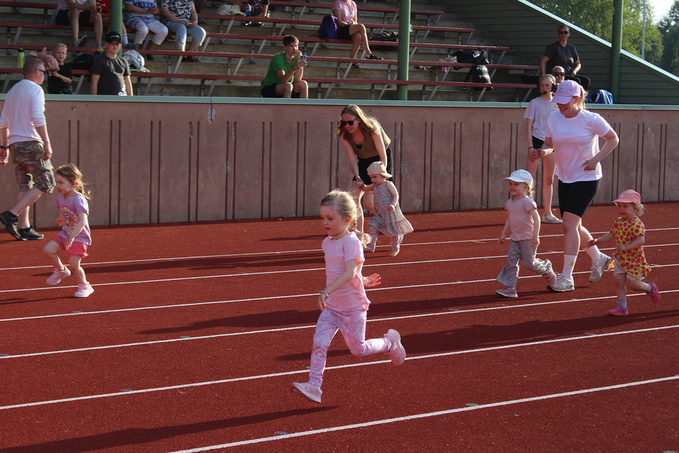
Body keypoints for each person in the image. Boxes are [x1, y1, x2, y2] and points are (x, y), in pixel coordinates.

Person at [291, 190, 405, 404]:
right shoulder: (327, 243)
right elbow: (349, 272)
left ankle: (390, 343)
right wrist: (362, 279)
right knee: (319, 343)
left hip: (352, 308)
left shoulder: (351, 241)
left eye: (330, 218)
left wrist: (327, 290)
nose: (325, 223)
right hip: (333, 308)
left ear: (347, 219)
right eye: (322, 218)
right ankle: (314, 385)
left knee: (358, 350)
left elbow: (349, 272)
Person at [534, 79, 619, 292]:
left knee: (568, 225)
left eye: (565, 101)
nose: (560, 105)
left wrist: (596, 159)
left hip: (587, 177)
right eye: (558, 100)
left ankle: (567, 277)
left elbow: (613, 139)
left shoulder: (591, 119)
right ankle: (599, 258)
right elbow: (550, 143)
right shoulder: (554, 118)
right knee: (574, 225)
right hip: (565, 177)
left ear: (576, 98)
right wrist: (542, 152)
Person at [0, 58, 55, 241]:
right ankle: (12, 215)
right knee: (47, 181)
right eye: (44, 73)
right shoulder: (35, 89)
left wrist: (4, 146)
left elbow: (3, 122)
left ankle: (25, 227)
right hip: (31, 142)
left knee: (25, 185)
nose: (44, 76)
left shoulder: (12, 91)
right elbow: (38, 117)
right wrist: (47, 142)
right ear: (37, 71)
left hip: (15, 144)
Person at [588, 190, 660, 316]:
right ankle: (622, 307)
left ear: (635, 208)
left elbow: (641, 240)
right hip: (620, 259)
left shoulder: (637, 224)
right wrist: (597, 241)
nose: (621, 209)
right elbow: (611, 235)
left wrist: (627, 247)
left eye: (625, 206)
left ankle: (650, 288)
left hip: (634, 260)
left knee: (635, 285)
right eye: (619, 206)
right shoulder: (618, 221)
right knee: (619, 282)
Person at [496, 169, 556, 298]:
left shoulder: (527, 202)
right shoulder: (510, 203)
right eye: (511, 183)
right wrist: (503, 234)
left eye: (516, 184)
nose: (512, 186)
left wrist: (535, 236)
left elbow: (537, 218)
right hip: (515, 238)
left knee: (530, 263)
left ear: (526, 187)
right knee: (511, 262)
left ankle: (547, 269)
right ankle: (511, 287)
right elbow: (510, 218)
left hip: (527, 238)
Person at [337, 104, 391, 233]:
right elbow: (352, 159)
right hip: (363, 161)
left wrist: (381, 175)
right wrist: (357, 177)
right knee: (354, 198)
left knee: (368, 203)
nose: (347, 126)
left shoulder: (372, 128)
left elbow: (383, 155)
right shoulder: (344, 135)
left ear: (359, 119)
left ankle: (391, 221)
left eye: (350, 122)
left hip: (379, 161)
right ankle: (360, 236)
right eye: (344, 123)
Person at [43, 164, 94, 298]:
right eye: (57, 182)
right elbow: (62, 209)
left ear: (73, 183)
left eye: (61, 183)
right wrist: (61, 218)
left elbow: (82, 221)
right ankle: (60, 270)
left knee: (74, 265)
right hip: (65, 233)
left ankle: (84, 286)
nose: (58, 186)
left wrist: (72, 236)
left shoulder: (79, 200)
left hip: (78, 237)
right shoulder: (61, 197)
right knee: (48, 250)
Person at [524, 74, 560, 224]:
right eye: (542, 85)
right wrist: (530, 146)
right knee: (529, 178)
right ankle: (527, 212)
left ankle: (547, 213)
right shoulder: (534, 103)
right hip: (536, 140)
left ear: (553, 87)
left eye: (547, 85)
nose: (544, 88)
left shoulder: (557, 104)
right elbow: (528, 126)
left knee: (549, 179)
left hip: (551, 143)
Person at [360, 161, 413, 256]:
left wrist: (393, 204)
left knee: (394, 233)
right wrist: (361, 186)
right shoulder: (374, 186)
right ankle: (371, 246)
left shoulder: (388, 184)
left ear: (382, 175)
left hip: (390, 214)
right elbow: (365, 188)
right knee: (372, 226)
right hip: (379, 214)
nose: (372, 180)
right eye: (371, 177)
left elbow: (395, 195)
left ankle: (395, 247)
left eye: (375, 177)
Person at [331, 0, 382, 68]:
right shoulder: (338, 3)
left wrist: (353, 23)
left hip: (350, 28)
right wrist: (348, 24)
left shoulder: (353, 4)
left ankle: (352, 60)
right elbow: (339, 22)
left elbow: (355, 22)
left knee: (359, 36)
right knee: (361, 27)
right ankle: (368, 53)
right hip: (340, 29)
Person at [540, 24, 590, 90]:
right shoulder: (553, 47)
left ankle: (580, 96)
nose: (563, 34)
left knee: (585, 81)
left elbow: (578, 63)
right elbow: (543, 61)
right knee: (577, 81)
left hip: (567, 75)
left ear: (568, 34)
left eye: (565, 32)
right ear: (558, 34)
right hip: (556, 76)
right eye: (561, 32)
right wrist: (544, 76)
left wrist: (574, 71)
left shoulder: (571, 48)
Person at [91, 31, 134, 96]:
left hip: (121, 96)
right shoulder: (100, 60)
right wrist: (94, 99)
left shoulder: (123, 61)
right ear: (106, 44)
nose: (115, 46)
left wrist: (131, 98)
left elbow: (128, 82)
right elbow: (94, 82)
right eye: (112, 43)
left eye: (117, 44)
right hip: (105, 97)